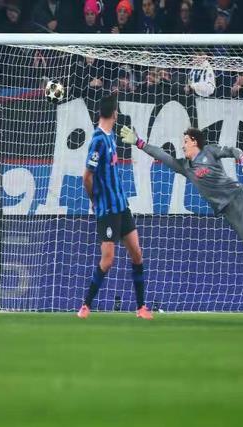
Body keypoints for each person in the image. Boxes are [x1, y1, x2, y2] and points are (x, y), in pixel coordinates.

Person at [120, 125, 243, 321]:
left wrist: (241, 156)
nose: (182, 146)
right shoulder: (186, 167)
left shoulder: (209, 151)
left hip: (241, 195)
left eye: (185, 142)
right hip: (232, 214)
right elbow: (163, 156)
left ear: (194, 141)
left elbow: (231, 150)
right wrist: (139, 143)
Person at [77, 95, 153, 320]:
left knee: (137, 254)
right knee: (108, 260)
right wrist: (94, 200)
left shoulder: (111, 137)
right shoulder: (98, 140)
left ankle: (141, 307)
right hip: (107, 210)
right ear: (114, 113)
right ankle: (85, 306)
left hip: (121, 206)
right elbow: (86, 177)